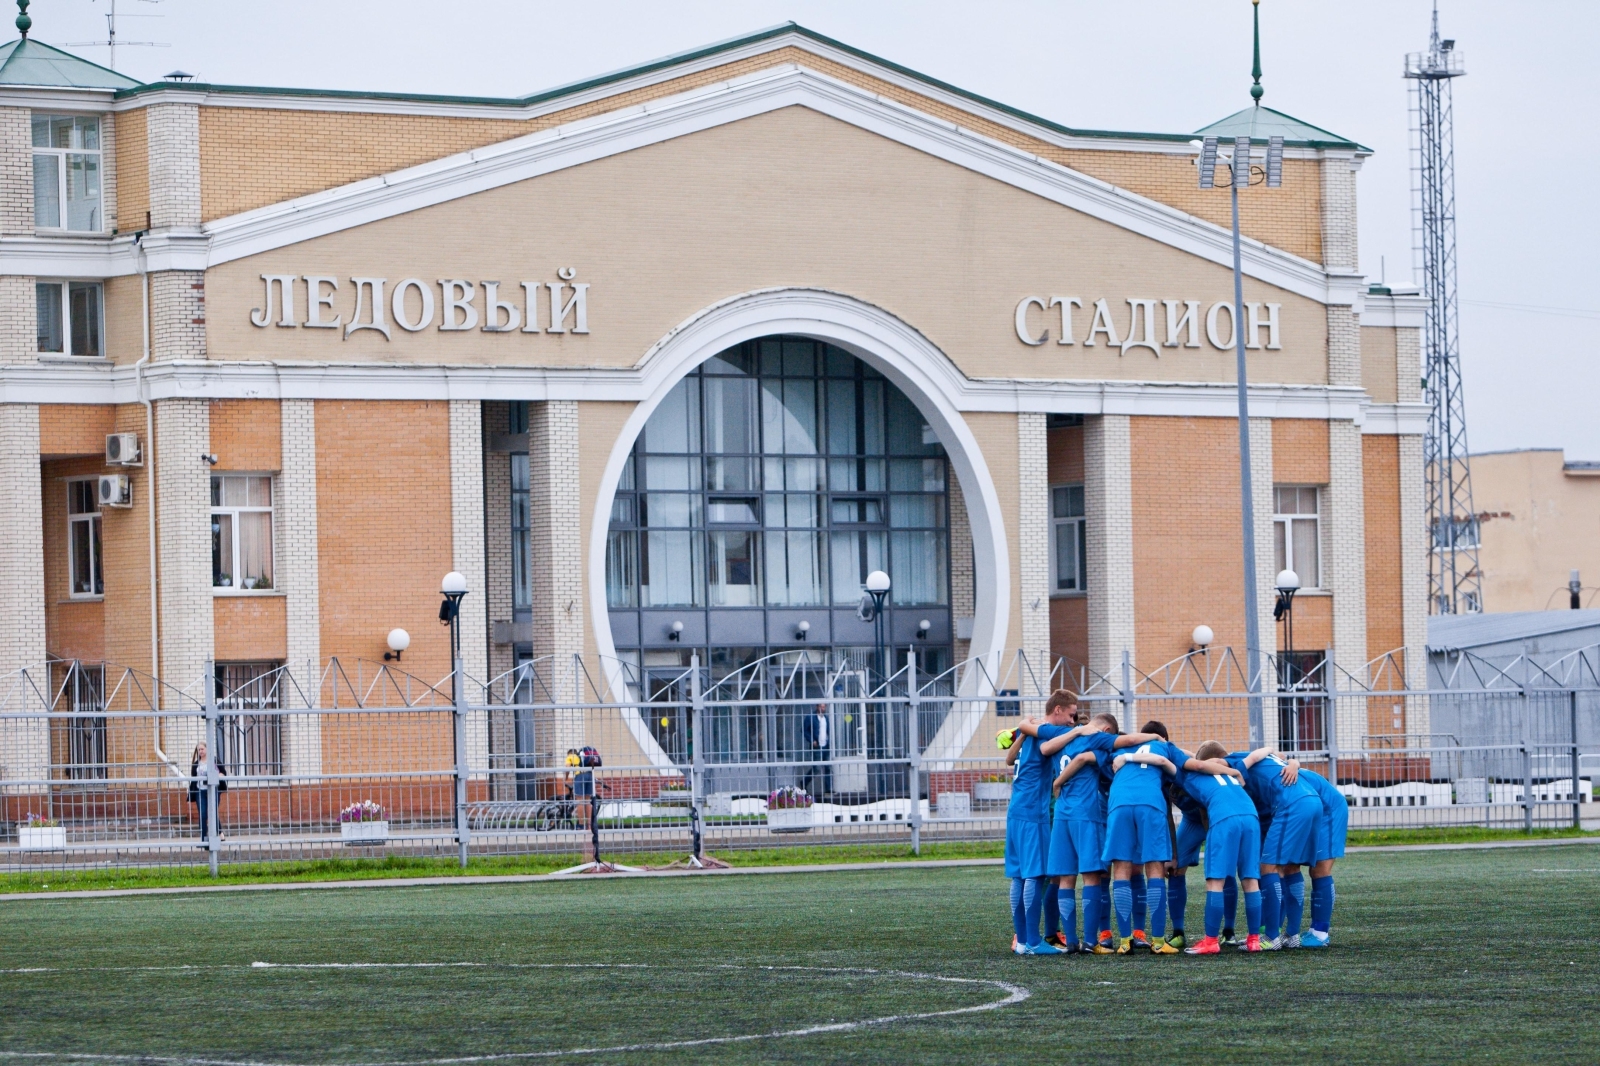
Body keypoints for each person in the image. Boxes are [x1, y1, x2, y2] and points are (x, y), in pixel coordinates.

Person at [1044, 710, 1162, 954]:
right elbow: (1090, 755)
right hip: (1093, 814)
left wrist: (1057, 782)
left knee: (1070, 877)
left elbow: (1041, 741)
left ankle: (1077, 940)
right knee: (1098, 876)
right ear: (1108, 732)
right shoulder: (1100, 742)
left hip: (1072, 813)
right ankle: (1097, 937)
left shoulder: (1063, 736)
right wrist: (1157, 739)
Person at [1226, 745, 1326, 950]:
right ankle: (1293, 934)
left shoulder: (1230, 760)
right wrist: (1293, 763)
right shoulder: (1265, 758)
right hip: (1312, 801)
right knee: (1292, 867)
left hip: (1292, 804)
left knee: (1268, 867)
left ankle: (1271, 937)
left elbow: (1210, 763)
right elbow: (1278, 755)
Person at [1002, 691, 1078, 955]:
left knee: (1019, 875)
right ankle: (1033, 941)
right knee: (1034, 874)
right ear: (1057, 710)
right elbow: (1051, 745)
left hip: (1016, 810)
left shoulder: (1033, 731)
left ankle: (1022, 941)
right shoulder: (1046, 731)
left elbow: (1009, 758)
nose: (1072, 721)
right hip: (1033, 813)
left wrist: (1023, 731)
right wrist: (1080, 731)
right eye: (1070, 715)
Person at [1175, 740, 1265, 954]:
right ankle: (1253, 940)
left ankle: (1211, 941)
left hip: (1224, 818)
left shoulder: (1189, 772)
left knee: (1216, 880)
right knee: (1251, 880)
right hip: (1250, 816)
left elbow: (1178, 764)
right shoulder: (1228, 771)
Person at [1279, 758, 1345, 949]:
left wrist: (1294, 763)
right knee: (1289, 865)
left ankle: (1320, 933)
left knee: (1319, 870)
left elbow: (1281, 756)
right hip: (1303, 810)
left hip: (1328, 809)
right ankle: (1286, 932)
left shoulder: (1248, 767)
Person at [187, 742, 228, 846]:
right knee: (203, 814)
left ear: (207, 749)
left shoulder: (213, 761)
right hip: (200, 791)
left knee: (212, 812)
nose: (201, 751)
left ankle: (219, 833)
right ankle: (204, 839)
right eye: (199, 750)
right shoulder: (196, 763)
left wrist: (217, 775)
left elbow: (223, 773)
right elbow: (193, 778)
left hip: (213, 790)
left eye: (202, 749)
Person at [801, 702, 831, 798]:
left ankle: (828, 789)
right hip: (816, 746)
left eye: (824, 706)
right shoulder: (811, 717)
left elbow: (827, 731)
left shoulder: (826, 718)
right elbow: (804, 730)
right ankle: (804, 782)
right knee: (817, 768)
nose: (823, 708)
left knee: (827, 767)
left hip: (825, 745)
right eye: (821, 706)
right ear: (817, 707)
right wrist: (811, 740)